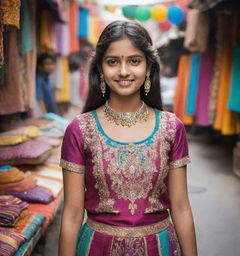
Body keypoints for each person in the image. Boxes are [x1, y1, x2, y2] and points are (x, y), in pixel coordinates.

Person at [59, 20, 197, 256]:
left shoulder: (171, 127)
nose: (123, 71)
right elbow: (72, 214)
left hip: (160, 248)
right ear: (101, 69)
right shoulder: (80, 129)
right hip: (96, 248)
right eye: (113, 62)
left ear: (149, 67)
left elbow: (181, 207)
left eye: (134, 61)